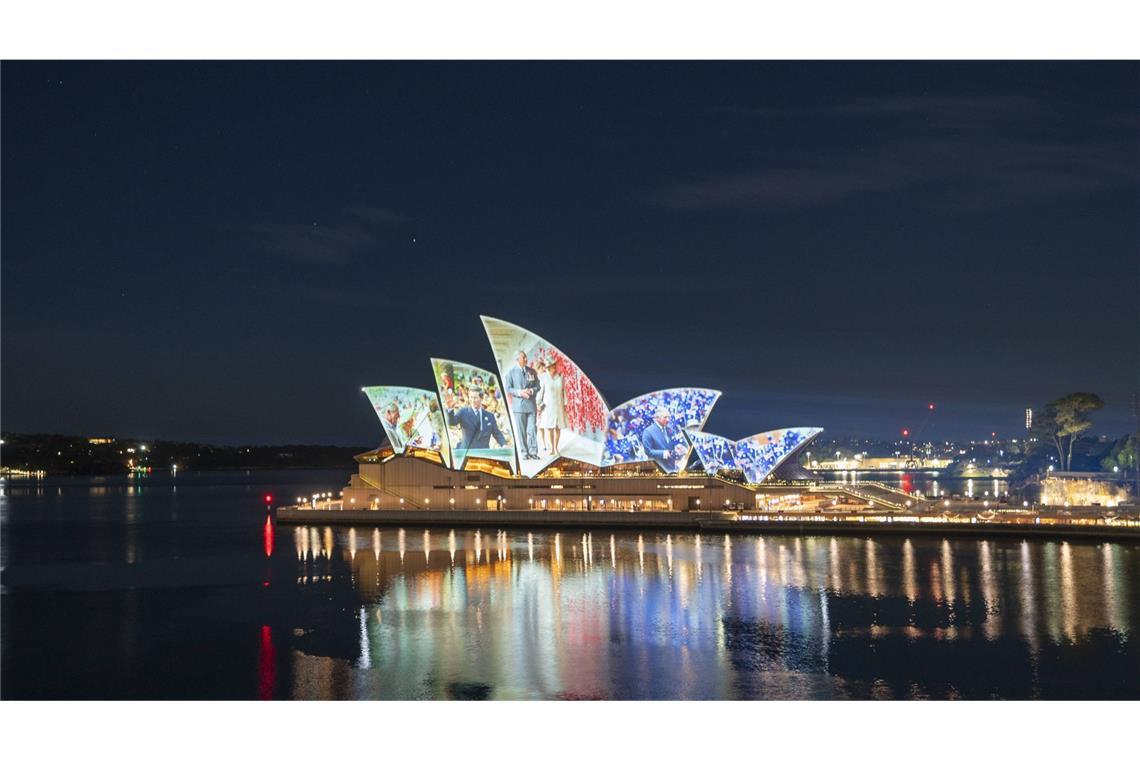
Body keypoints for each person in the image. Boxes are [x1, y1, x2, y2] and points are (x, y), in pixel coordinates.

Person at [444, 389, 510, 453]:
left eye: (475, 398)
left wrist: (504, 444)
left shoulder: (490, 416)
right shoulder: (463, 412)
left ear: (481, 399)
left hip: (484, 454)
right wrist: (449, 409)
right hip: (466, 453)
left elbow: (496, 433)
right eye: (471, 397)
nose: (472, 400)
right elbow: (451, 422)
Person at [504, 350, 540, 460]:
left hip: (531, 405)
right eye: (523, 357)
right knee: (521, 431)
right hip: (519, 406)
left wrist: (532, 390)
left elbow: (538, 386)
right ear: (517, 360)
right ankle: (524, 452)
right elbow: (508, 388)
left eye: (525, 357)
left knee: (532, 429)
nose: (526, 359)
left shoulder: (532, 371)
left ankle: (533, 451)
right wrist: (520, 392)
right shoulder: (510, 373)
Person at [640, 406, 686, 473]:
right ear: (657, 418)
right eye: (665, 417)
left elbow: (673, 444)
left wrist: (678, 447)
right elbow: (648, 451)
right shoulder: (648, 431)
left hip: (672, 468)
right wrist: (663, 453)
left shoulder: (670, 429)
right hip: (657, 469)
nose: (668, 420)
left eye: (669, 417)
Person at [536, 359, 567, 457]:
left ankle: (556, 447)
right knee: (549, 428)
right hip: (548, 406)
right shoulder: (544, 377)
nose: (554, 367)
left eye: (554, 365)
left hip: (559, 406)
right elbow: (541, 391)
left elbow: (564, 391)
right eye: (552, 366)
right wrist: (538, 403)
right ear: (548, 368)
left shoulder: (560, 377)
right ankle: (551, 448)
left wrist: (565, 403)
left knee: (558, 427)